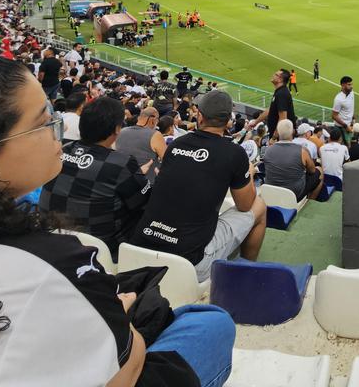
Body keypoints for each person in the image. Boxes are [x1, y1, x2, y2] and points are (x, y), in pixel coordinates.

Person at [0, 54, 236, 387]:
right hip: (115, 351)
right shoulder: (51, 263)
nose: (56, 132)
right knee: (206, 322)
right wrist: (124, 323)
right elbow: (124, 371)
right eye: (42, 124)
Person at [133, 90, 267, 281]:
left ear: (200, 116)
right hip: (189, 263)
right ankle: (246, 274)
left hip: (140, 249)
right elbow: (245, 205)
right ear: (228, 122)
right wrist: (249, 174)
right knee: (259, 205)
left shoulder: (176, 144)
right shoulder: (234, 153)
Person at [39, 96, 152, 257]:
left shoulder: (61, 149)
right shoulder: (122, 163)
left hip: (49, 239)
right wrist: (137, 176)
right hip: (98, 251)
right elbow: (143, 202)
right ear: (117, 129)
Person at [263, 118, 324, 200]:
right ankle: (310, 202)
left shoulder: (268, 150)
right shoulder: (302, 151)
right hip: (294, 193)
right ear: (293, 132)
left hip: (273, 191)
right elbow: (312, 171)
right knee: (320, 171)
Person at [116, 106, 168, 182]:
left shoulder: (121, 131)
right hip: (145, 182)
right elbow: (167, 159)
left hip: (121, 179)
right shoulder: (155, 135)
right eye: (157, 119)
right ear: (152, 119)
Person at [267, 68, 295, 133]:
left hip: (280, 135)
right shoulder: (279, 91)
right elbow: (270, 109)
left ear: (280, 79)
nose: (273, 75)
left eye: (276, 75)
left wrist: (274, 136)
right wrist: (255, 122)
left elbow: (283, 119)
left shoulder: (282, 94)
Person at [332, 75, 355, 143]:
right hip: (341, 127)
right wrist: (346, 126)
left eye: (351, 84)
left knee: (349, 144)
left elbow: (351, 106)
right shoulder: (338, 99)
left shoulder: (352, 93)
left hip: (350, 125)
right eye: (349, 84)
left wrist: (353, 118)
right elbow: (334, 116)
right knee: (342, 145)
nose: (351, 86)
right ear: (343, 85)